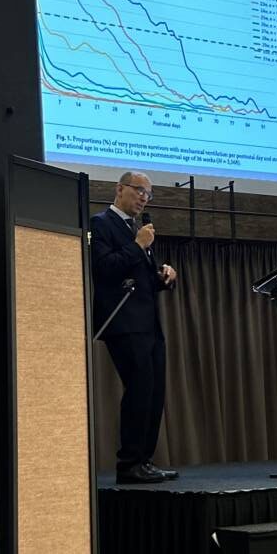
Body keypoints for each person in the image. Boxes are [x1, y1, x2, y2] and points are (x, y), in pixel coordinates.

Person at [90, 171, 178, 485]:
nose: (143, 198)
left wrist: (163, 277)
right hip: (123, 323)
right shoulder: (101, 223)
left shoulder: (138, 229)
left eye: (148, 194)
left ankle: (144, 461)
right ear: (119, 189)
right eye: (139, 190)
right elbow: (104, 268)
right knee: (139, 389)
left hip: (148, 323)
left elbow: (142, 280)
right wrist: (138, 245)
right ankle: (128, 464)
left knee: (154, 392)